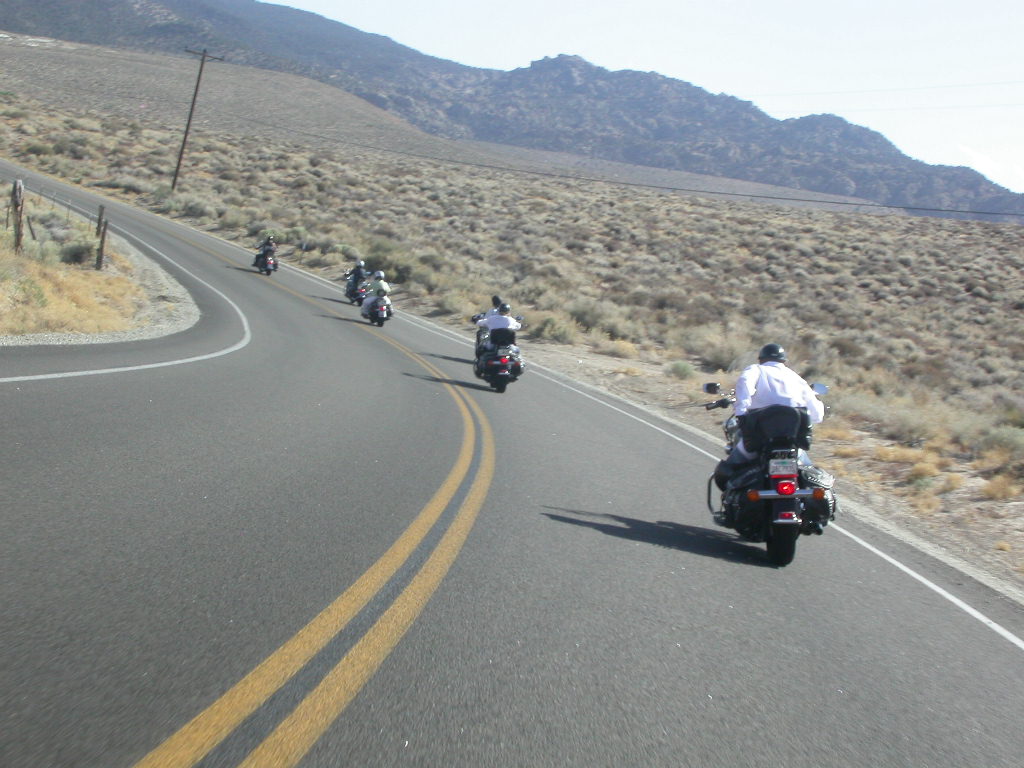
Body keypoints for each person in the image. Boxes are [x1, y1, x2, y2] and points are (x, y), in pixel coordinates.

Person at [713, 343, 825, 491]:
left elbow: (745, 383)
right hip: (793, 443)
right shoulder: (796, 378)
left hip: (760, 438)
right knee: (811, 476)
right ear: (784, 361)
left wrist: (741, 412)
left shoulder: (756, 370)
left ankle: (732, 503)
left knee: (727, 471)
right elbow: (817, 415)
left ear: (761, 359)